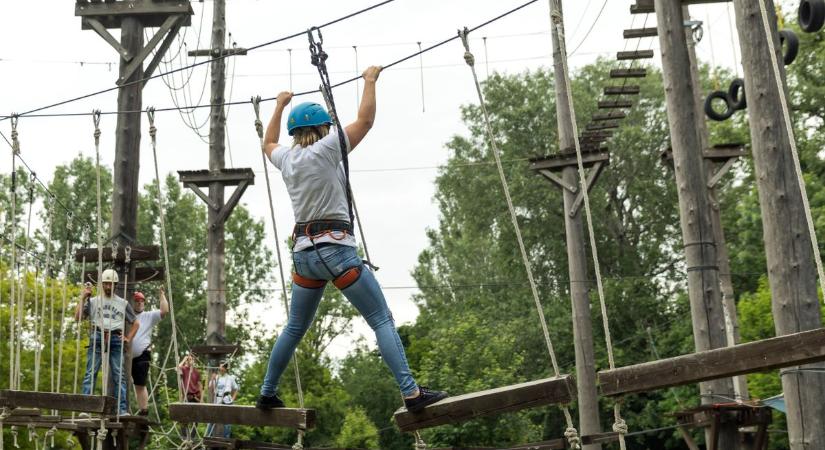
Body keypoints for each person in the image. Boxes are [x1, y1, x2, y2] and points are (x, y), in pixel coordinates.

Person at [256, 66, 447, 414]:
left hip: (304, 255)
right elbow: (366, 120)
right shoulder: (329, 149)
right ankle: (411, 392)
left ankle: (267, 391)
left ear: (296, 133)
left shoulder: (287, 158)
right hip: (337, 250)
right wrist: (370, 81)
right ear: (322, 129)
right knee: (381, 319)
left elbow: (268, 142)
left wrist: (279, 105)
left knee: (295, 327)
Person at [75, 269, 139, 416]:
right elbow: (77, 317)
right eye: (105, 284)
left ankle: (121, 409)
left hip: (115, 337)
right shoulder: (93, 301)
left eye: (111, 284)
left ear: (115, 285)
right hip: (97, 335)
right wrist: (83, 297)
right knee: (91, 372)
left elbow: (136, 323)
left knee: (119, 375)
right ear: (102, 284)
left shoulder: (123, 303)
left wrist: (128, 338)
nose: (108, 287)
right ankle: (86, 408)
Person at [131, 288, 169, 415]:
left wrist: (162, 295)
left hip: (142, 355)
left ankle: (144, 410)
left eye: (142, 301)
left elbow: (164, 311)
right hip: (125, 355)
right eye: (137, 301)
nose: (139, 303)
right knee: (121, 382)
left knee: (140, 384)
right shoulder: (126, 316)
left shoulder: (148, 316)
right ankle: (121, 408)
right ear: (132, 302)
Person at [206, 362, 238, 438]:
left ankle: (226, 438)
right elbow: (210, 388)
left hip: (227, 400)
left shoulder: (230, 378)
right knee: (212, 418)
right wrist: (213, 379)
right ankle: (208, 436)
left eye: (222, 367)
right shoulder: (217, 377)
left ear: (225, 369)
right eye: (220, 367)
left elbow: (236, 389)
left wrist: (232, 399)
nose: (220, 369)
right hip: (217, 399)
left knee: (227, 420)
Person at [177, 353, 202, 439]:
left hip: (195, 397)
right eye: (189, 359)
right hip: (187, 397)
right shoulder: (184, 369)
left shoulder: (196, 372)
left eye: (191, 359)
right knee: (183, 417)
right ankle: (184, 437)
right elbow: (177, 368)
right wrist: (184, 359)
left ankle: (192, 437)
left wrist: (201, 399)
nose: (190, 361)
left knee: (195, 419)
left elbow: (199, 385)